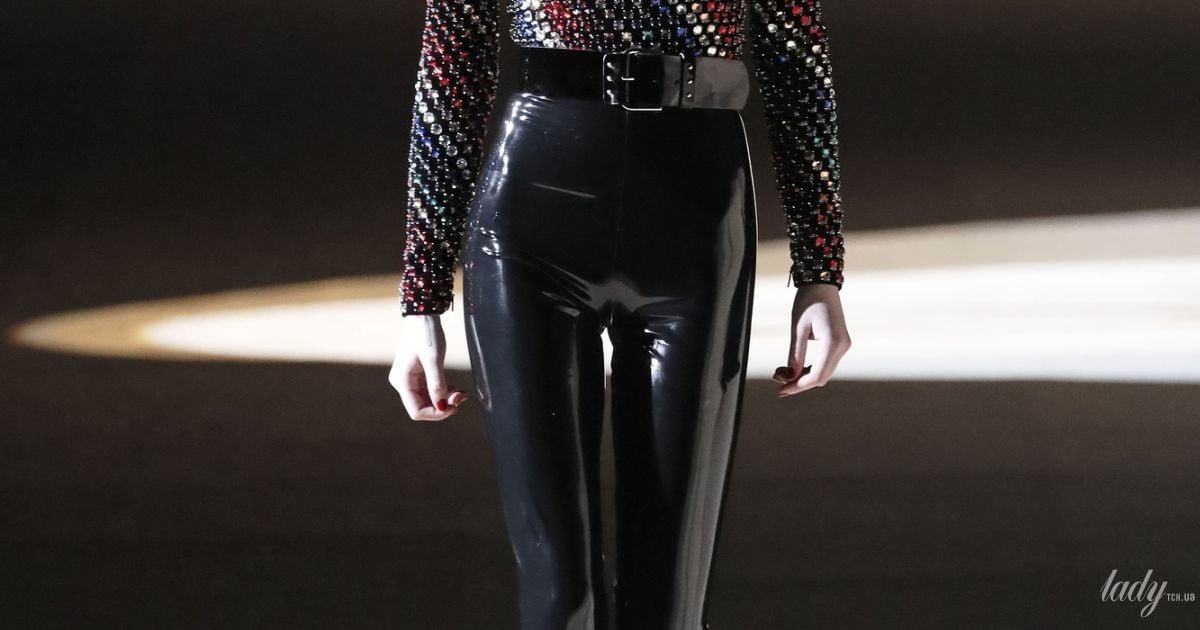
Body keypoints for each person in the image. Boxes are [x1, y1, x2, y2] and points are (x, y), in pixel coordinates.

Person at [389, 1, 852, 628]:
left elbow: (796, 60)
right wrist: (421, 299)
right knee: (559, 595)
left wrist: (820, 271)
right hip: (532, 219)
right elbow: (453, 62)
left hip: (695, 225)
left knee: (669, 601)